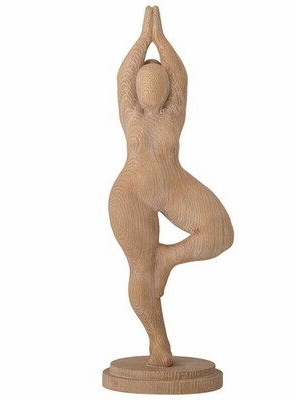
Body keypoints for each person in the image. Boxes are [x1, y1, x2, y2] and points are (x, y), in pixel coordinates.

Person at [109, 6, 234, 367]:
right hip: (130, 194)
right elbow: (124, 75)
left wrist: (159, 40)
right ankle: (158, 343)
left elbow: (180, 76)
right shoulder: (131, 114)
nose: (152, 80)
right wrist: (143, 40)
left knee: (220, 232)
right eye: (145, 75)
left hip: (170, 183)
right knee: (139, 270)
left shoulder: (172, 113)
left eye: (158, 75)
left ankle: (168, 258)